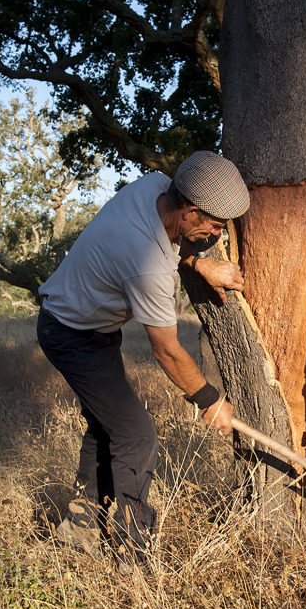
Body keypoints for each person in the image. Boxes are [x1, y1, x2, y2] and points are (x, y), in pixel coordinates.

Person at [37, 150, 249, 572]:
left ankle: (79, 529)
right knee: (137, 435)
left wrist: (200, 263)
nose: (214, 233)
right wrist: (208, 399)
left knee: (108, 425)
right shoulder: (147, 266)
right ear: (189, 211)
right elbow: (166, 351)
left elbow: (171, 243)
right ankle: (134, 555)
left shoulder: (155, 187)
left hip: (88, 330)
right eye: (212, 226)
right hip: (70, 335)